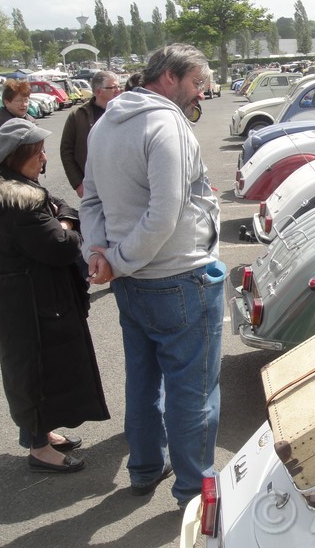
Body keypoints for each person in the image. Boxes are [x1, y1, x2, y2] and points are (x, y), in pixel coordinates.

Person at [79, 44, 225, 507]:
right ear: (169, 77)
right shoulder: (164, 124)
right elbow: (165, 214)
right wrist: (113, 259)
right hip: (178, 277)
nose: (200, 94)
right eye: (196, 83)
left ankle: (145, 466)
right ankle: (194, 494)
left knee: (143, 379)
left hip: (133, 281)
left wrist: (101, 253)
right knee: (193, 391)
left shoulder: (105, 123)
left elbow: (91, 200)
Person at [0, 119, 109, 474]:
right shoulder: (18, 203)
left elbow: (59, 205)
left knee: (36, 369)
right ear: (17, 157)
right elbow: (62, 245)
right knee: (35, 371)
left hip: (27, 298)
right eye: (36, 153)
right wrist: (65, 224)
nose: (43, 158)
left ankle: (40, 434)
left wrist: (61, 217)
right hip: (33, 302)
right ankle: (38, 447)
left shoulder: (9, 189)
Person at [59, 71, 121, 198]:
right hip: (92, 188)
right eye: (113, 87)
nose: (118, 90)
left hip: (121, 185)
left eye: (119, 87)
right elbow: (66, 151)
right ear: (99, 91)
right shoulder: (77, 116)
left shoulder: (125, 113)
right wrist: (77, 183)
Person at [0, 79, 36, 160]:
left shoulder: (31, 124)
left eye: (26, 100)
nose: (24, 104)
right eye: (19, 100)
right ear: (6, 102)